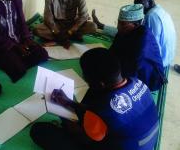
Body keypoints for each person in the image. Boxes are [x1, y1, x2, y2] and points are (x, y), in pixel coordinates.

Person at [30, 48, 159, 150]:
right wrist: (69, 103)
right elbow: (101, 113)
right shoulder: (137, 82)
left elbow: (83, 138)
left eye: (85, 76)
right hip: (146, 143)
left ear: (100, 83)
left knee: (39, 131)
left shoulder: (101, 110)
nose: (84, 78)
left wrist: (61, 115)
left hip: (120, 144)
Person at [92, 0, 176, 67]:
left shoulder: (151, 17)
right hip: (168, 55)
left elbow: (153, 48)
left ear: (149, 2)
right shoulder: (160, 10)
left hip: (160, 61)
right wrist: (102, 26)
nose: (138, 8)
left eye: (140, 5)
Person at [33, 0, 97, 49]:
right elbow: (48, 17)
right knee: (37, 30)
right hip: (56, 25)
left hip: (73, 24)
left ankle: (66, 36)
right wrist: (57, 32)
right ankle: (67, 37)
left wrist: (71, 31)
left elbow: (83, 15)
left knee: (92, 26)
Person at [109, 4, 166, 91]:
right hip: (129, 68)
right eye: (118, 22)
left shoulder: (144, 39)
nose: (118, 27)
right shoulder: (124, 32)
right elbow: (112, 51)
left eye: (122, 24)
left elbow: (131, 70)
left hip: (149, 79)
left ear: (136, 25)